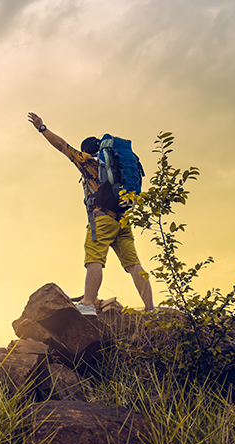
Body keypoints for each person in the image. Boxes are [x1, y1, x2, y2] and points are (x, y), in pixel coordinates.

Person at [27, 112, 154, 315]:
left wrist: (42, 128)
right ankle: (150, 309)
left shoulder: (87, 162)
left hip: (102, 218)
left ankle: (87, 304)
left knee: (94, 259)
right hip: (123, 219)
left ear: (87, 151)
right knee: (133, 264)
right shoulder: (116, 166)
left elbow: (62, 145)